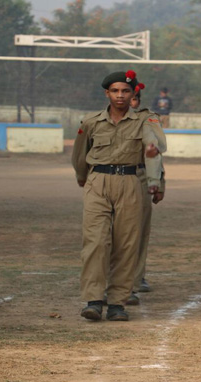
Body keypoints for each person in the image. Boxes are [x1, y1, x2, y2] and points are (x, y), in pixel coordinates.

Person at [72, 70, 163, 321]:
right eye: (115, 91)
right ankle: (93, 299)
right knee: (96, 241)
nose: (120, 96)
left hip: (130, 181)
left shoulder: (145, 121)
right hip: (98, 181)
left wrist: (155, 172)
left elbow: (154, 146)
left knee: (126, 244)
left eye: (125, 91)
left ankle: (117, 303)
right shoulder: (91, 122)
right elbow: (80, 154)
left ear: (133, 93)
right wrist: (83, 176)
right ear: (107, 93)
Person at [127, 83, 166, 306]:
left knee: (138, 232)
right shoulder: (100, 120)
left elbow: (156, 154)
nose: (128, 100)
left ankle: (135, 278)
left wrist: (159, 183)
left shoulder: (148, 120)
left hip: (141, 176)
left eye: (133, 97)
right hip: (113, 178)